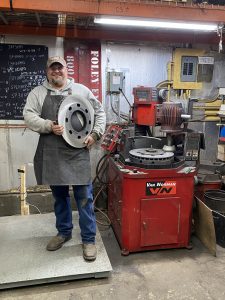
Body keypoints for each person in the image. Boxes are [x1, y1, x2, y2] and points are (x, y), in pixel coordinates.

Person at [23, 56, 106, 261]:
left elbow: (100, 112)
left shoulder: (81, 91)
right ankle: (64, 232)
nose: (56, 72)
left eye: (60, 68)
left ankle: (88, 239)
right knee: (59, 197)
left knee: (85, 198)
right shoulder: (38, 93)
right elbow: (29, 115)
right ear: (47, 71)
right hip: (52, 153)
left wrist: (94, 134)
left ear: (66, 70)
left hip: (77, 153)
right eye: (53, 69)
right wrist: (48, 126)